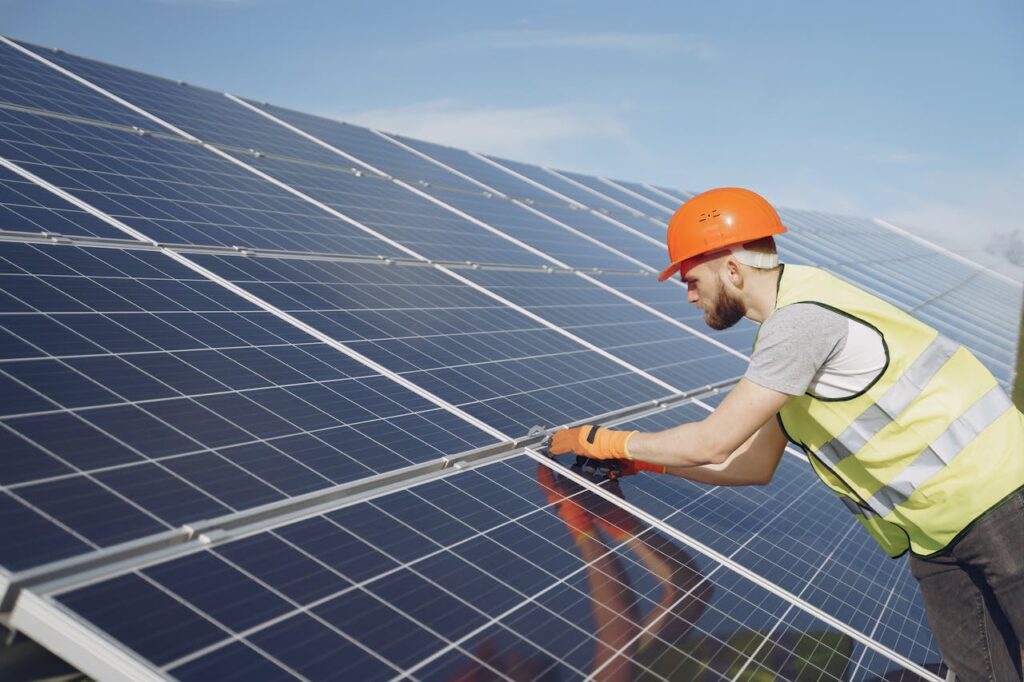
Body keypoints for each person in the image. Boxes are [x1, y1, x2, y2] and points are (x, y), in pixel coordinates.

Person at [548, 187, 1024, 681]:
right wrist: (644, 463)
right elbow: (750, 465)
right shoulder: (788, 328)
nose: (689, 295)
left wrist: (603, 440)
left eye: (691, 280)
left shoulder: (801, 324)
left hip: (1002, 503)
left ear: (732, 269)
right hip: (938, 533)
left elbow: (713, 441)